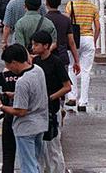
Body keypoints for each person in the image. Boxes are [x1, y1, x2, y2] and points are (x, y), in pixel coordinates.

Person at [0, 44, 48, 173]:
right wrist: (16, 95)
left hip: (26, 129)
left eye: (8, 65)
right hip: (40, 124)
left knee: (28, 166)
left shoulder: (22, 82)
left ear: (14, 62)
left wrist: (0, 106)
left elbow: (20, 111)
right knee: (36, 162)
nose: (8, 69)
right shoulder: (38, 70)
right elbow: (34, 93)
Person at [31, 30, 71, 173]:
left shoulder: (56, 62)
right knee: (40, 148)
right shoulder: (35, 62)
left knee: (54, 147)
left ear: (46, 46)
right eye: (33, 45)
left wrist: (50, 97)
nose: (33, 48)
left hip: (52, 111)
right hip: (37, 111)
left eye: (36, 45)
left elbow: (67, 87)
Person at [64, 0, 100, 112]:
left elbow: (67, 23)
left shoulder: (71, 5)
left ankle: (72, 97)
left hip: (74, 40)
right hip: (88, 38)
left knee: (71, 67)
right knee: (86, 71)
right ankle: (83, 102)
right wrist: (94, 40)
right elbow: (98, 27)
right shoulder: (93, 7)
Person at [44, 0, 79, 72]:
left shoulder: (44, 19)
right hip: (62, 56)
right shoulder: (66, 20)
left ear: (47, 3)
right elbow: (71, 42)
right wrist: (76, 61)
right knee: (63, 82)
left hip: (47, 56)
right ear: (59, 3)